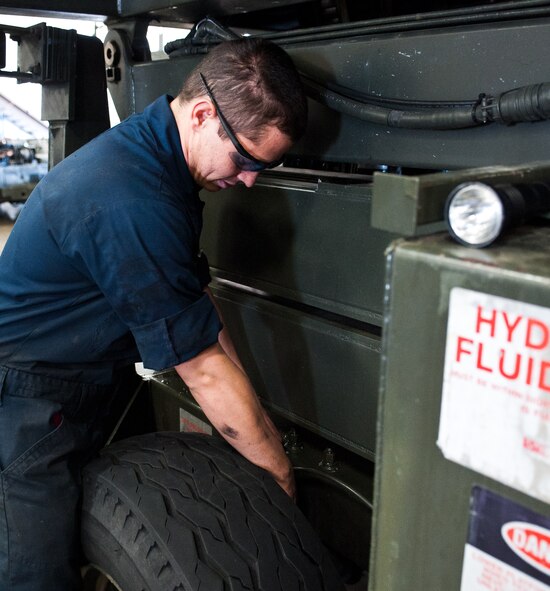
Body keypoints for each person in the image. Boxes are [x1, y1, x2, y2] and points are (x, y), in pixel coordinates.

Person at [0, 37, 308, 590]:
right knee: (36, 572)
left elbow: (199, 318)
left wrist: (254, 426)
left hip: (82, 381)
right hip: (25, 400)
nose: (250, 180)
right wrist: (275, 474)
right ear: (203, 113)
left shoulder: (157, 158)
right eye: (245, 159)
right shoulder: (130, 197)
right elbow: (202, 367)